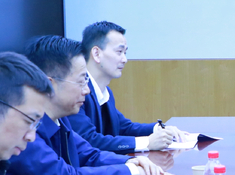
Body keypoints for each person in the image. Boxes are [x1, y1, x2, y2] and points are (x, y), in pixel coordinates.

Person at [0, 36, 178, 175]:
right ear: (49, 85)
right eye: (81, 81)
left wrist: (131, 162)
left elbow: (90, 155)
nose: (87, 90)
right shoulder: (23, 129)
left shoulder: (60, 120)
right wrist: (132, 173)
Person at [67, 20, 192, 153]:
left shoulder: (105, 92)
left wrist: (159, 129)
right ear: (97, 54)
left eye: (125, 53)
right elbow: (88, 140)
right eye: (119, 52)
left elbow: (124, 128)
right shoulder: (76, 92)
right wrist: (147, 142)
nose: (124, 59)